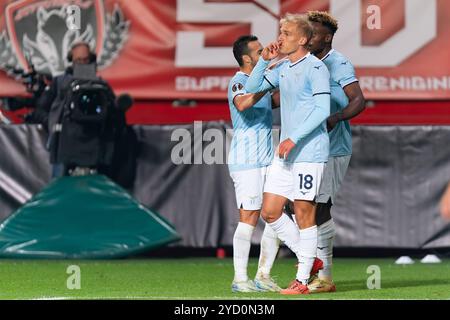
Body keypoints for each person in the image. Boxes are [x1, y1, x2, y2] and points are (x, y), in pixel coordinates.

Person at [245, 13, 330, 295]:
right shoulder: (281, 67)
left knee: (304, 213)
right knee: (270, 212)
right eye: (281, 32)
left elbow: (322, 110)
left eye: (288, 33)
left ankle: (303, 280)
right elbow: (252, 87)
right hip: (287, 154)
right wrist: (264, 61)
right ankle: (311, 259)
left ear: (303, 39)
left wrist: (293, 137)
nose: (281, 38)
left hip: (309, 151)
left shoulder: (316, 68)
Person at [304, 10, 366, 293]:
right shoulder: (304, 63)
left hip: (333, 148)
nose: (308, 38)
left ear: (326, 38)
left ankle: (325, 275)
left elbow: (358, 100)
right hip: (305, 147)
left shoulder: (337, 63)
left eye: (313, 33)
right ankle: (310, 265)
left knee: (320, 208)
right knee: (297, 205)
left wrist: (337, 117)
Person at [228, 35, 282, 293]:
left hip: (268, 160)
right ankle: (240, 279)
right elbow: (243, 104)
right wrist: (267, 82)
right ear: (248, 58)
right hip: (246, 161)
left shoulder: (260, 80)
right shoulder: (238, 82)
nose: (263, 53)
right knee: (249, 217)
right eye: (259, 51)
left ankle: (264, 275)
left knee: (276, 215)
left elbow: (275, 101)